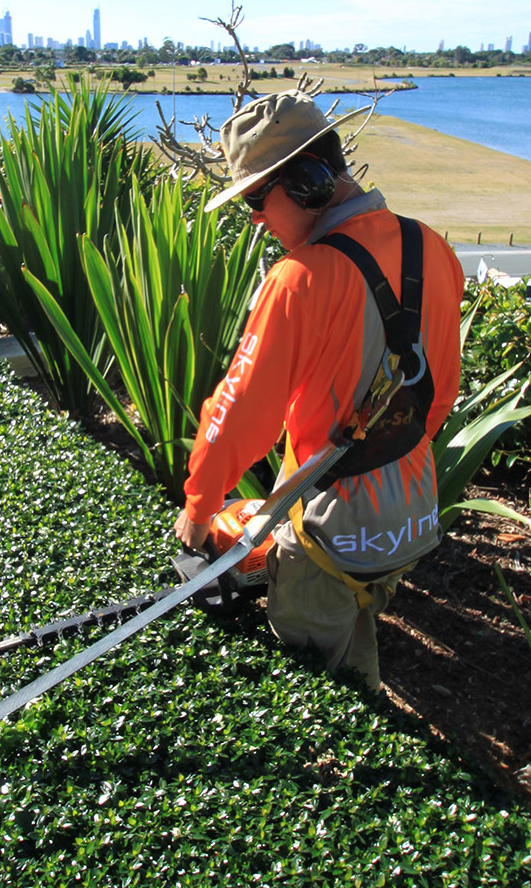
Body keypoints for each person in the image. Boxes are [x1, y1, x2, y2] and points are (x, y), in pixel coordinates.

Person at [174, 92, 464, 691]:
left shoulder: (298, 279)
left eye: (257, 198)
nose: (255, 217)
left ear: (307, 182)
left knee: (322, 687)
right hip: (412, 513)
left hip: (330, 534)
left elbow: (238, 414)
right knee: (358, 629)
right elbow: (440, 392)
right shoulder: (432, 246)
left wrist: (200, 510)